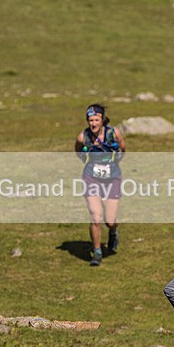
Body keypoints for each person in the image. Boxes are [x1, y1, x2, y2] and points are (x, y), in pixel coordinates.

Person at [74, 104, 125, 266]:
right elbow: (78, 151)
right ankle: (97, 252)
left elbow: (123, 148)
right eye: (90, 120)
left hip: (112, 178)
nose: (93, 123)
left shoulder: (113, 133)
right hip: (91, 178)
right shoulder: (83, 137)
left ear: (102, 120)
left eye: (96, 120)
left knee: (110, 220)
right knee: (96, 217)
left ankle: (113, 231)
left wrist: (113, 162)